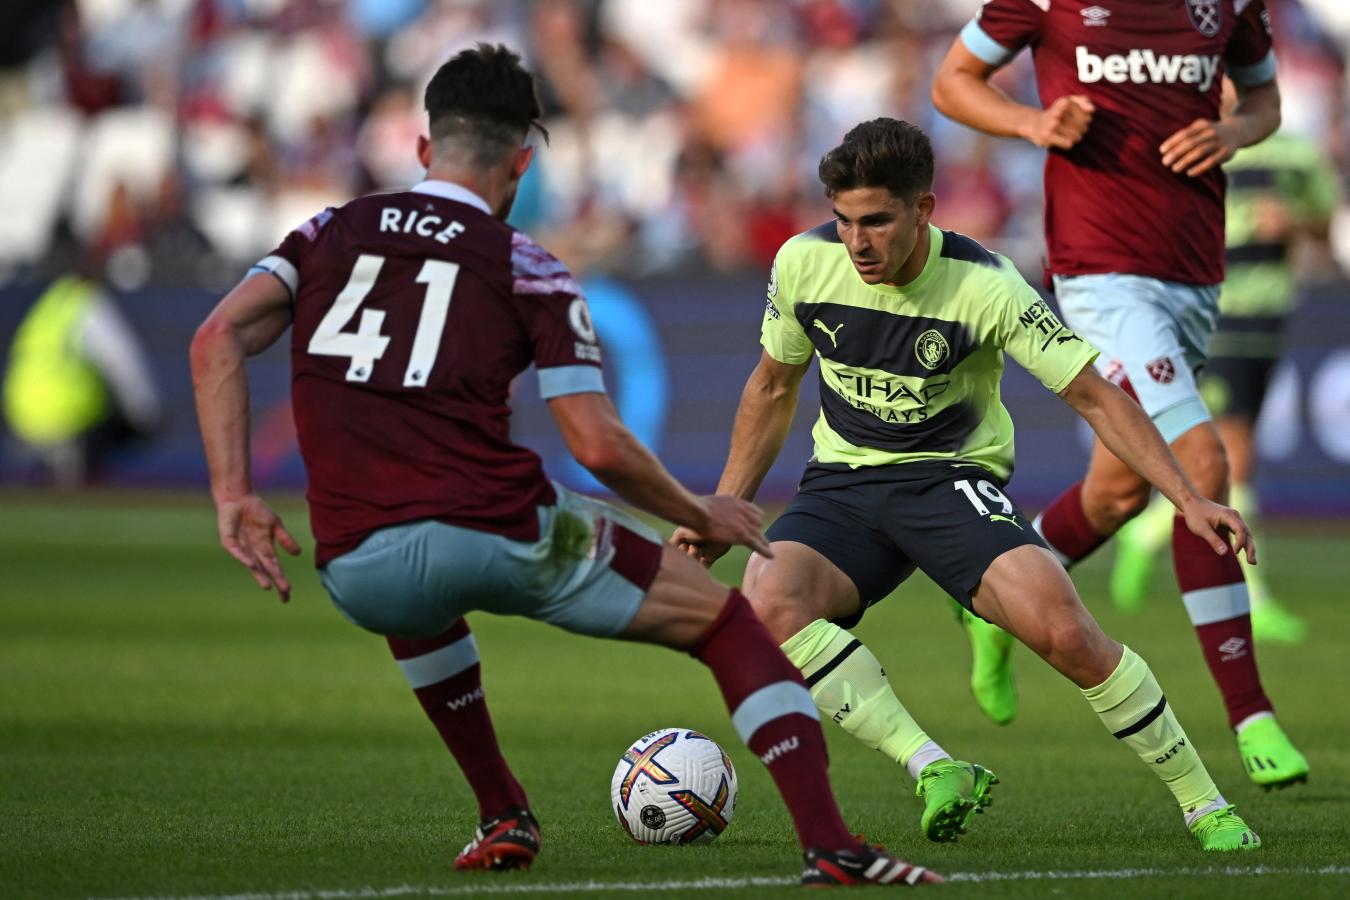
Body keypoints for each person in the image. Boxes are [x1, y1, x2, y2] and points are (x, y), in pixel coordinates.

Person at [189, 44, 938, 888]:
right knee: (729, 625)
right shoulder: (526, 263)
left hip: (356, 562)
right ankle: (832, 845)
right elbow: (594, 443)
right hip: (499, 528)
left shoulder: (328, 231)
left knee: (416, 592)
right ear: (521, 161)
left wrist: (233, 496)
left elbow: (217, 338)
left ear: (425, 148)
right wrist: (700, 511)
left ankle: (503, 812)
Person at [674, 117, 1261, 852]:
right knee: (767, 605)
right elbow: (770, 389)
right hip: (843, 485)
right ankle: (936, 769)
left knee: (1064, 631)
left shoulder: (986, 285)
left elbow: (1095, 395)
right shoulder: (802, 264)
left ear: (923, 208)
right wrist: (725, 510)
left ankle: (1205, 804)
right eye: (845, 221)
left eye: (878, 221)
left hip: (949, 479)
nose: (858, 243)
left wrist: (1187, 497)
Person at [929, 0, 1308, 789]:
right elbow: (953, 82)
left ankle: (991, 598)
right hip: (1100, 270)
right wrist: (1032, 125)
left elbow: (1265, 99)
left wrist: (1234, 132)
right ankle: (1252, 714)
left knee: (1115, 492)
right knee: (1200, 464)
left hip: (1195, 269)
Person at [1111, 90, 1339, 646]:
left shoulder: (1294, 155)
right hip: (1216, 318)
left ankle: (1144, 534)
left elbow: (1323, 225)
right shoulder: (1189, 148)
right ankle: (1252, 599)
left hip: (1267, 321)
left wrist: (1296, 222)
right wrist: (1244, 228)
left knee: (1228, 454)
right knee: (1235, 453)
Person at [3, 272, 162, 487]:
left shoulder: (49, 306)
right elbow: (122, 361)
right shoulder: (88, 304)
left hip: (22, 420)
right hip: (70, 419)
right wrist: (146, 414)